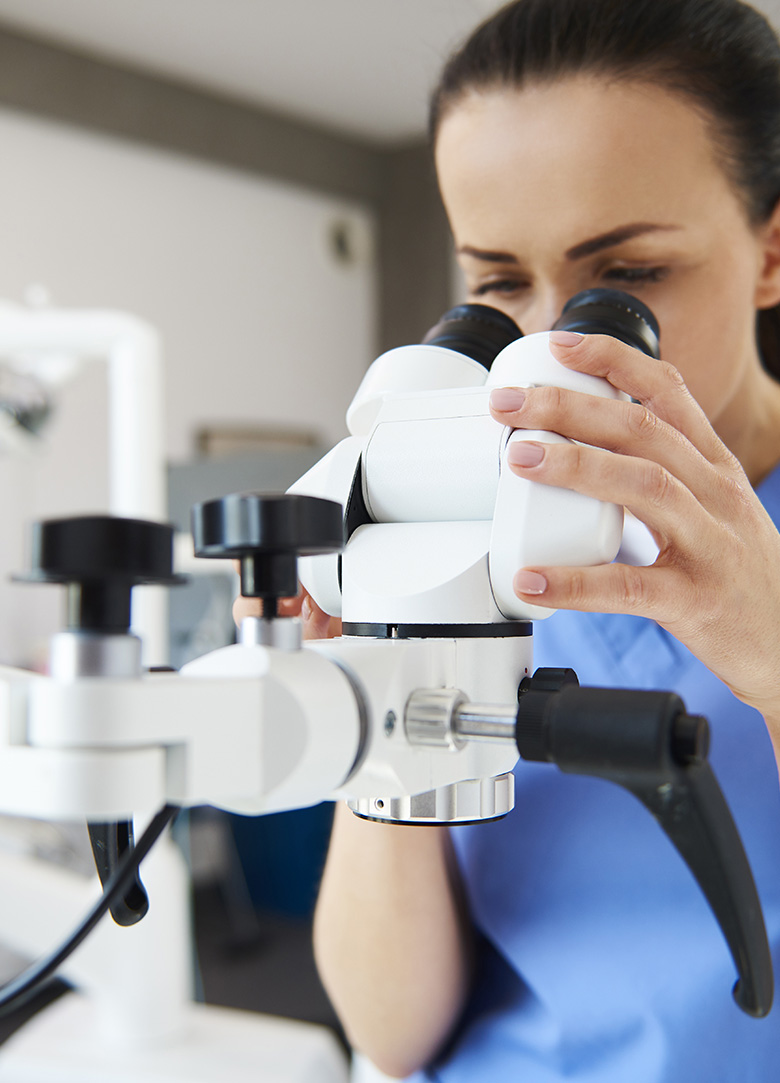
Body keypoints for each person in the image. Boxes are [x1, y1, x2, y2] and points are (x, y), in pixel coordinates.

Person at [237, 0, 780, 1078]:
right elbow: (392, 1033)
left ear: (771, 252)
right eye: (493, 285)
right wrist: (381, 679)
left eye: (623, 280)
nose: (545, 347)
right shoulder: (465, 531)